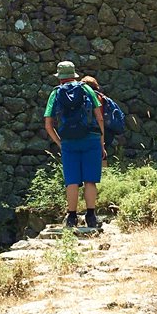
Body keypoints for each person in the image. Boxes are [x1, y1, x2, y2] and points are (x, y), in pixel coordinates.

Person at [44, 60, 106, 228]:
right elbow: (99, 117)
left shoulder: (55, 93)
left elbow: (48, 125)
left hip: (68, 143)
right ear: (74, 75)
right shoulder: (86, 89)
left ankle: (71, 217)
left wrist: (59, 143)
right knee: (90, 180)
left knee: (71, 181)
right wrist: (101, 142)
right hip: (91, 139)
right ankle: (91, 217)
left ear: (60, 78)